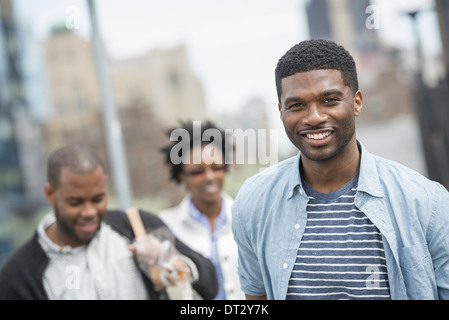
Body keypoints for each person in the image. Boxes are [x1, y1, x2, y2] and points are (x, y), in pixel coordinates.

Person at [231, 39, 449, 300]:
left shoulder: (426, 202)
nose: (314, 117)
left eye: (330, 100)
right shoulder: (254, 203)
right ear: (281, 112)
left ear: (356, 102)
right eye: (296, 105)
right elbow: (257, 297)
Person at [0, 143, 218, 300]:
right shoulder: (19, 275)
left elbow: (210, 283)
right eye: (75, 202)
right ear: (50, 194)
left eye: (98, 199)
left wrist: (171, 262)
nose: (89, 212)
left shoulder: (136, 225)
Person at [159, 120, 244, 300]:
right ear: (182, 176)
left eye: (217, 168)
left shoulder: (248, 217)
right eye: (198, 171)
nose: (210, 177)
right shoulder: (165, 226)